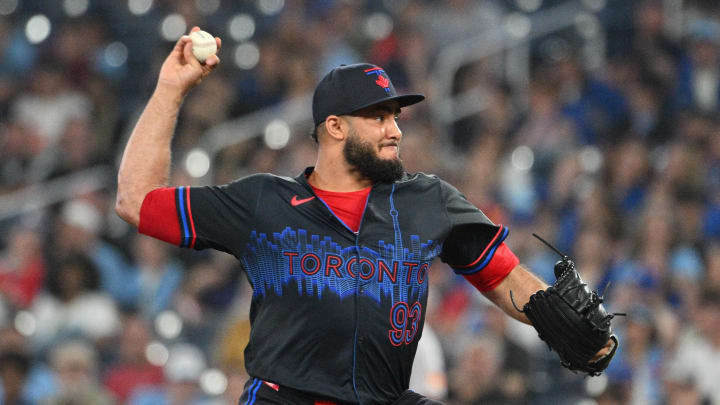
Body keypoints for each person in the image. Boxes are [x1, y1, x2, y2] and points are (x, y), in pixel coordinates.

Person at [115, 27, 613, 405]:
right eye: (377, 116)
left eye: (395, 116)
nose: (394, 129)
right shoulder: (263, 202)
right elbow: (137, 201)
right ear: (334, 127)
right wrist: (171, 89)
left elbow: (503, 275)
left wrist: (564, 325)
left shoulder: (427, 201)